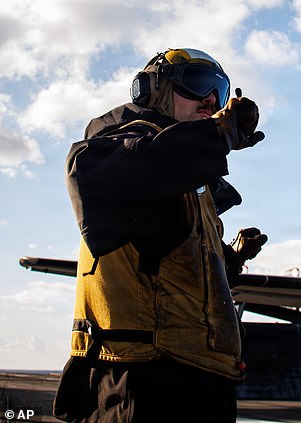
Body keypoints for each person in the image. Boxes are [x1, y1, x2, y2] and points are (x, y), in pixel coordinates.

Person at [54, 48, 267, 422]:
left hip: (203, 378)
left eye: (219, 89)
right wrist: (215, 135)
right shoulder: (122, 143)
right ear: (154, 89)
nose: (211, 99)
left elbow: (174, 273)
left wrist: (228, 261)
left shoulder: (192, 184)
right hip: (144, 379)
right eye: (198, 84)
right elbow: (118, 179)